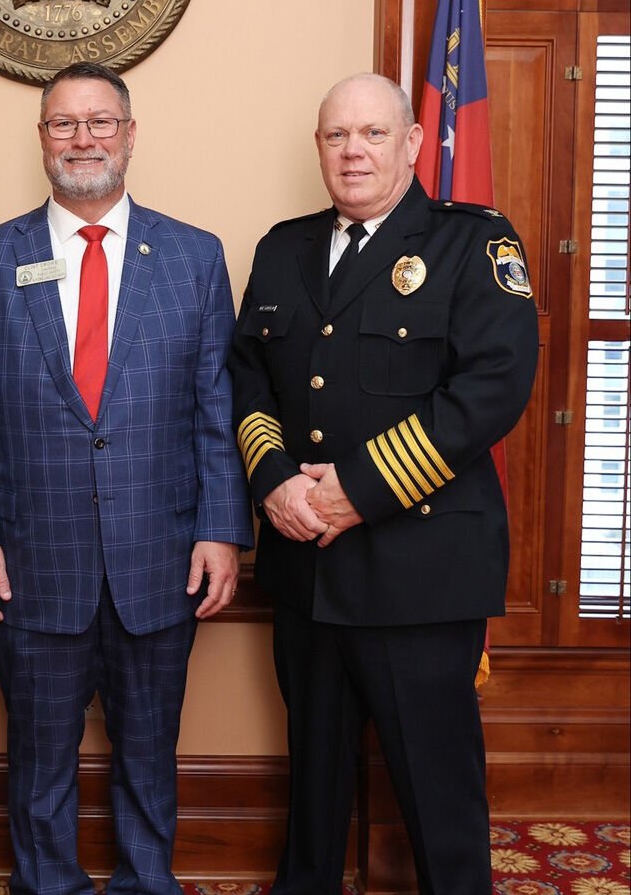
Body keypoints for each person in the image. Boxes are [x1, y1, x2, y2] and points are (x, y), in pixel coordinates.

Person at [0, 61, 253, 895]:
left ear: (129, 133)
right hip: (30, 562)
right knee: (39, 757)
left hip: (159, 559)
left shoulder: (194, 257)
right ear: (42, 138)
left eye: (100, 122)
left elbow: (214, 411)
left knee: (149, 753)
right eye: (63, 124)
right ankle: (46, 884)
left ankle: (145, 884)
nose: (83, 138)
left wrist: (222, 531)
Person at [230, 72, 538, 894]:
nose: (353, 151)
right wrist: (275, 484)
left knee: (439, 796)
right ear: (320, 150)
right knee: (314, 791)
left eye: (372, 134)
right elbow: (246, 378)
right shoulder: (282, 248)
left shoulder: (472, 243)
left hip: (421, 576)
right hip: (306, 567)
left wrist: (351, 491)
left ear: (411, 144)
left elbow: (492, 388)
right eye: (337, 136)